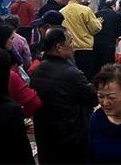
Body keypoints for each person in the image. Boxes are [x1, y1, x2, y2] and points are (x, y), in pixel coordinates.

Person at [30, 27, 97, 164]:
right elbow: (92, 98)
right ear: (59, 47)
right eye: (70, 42)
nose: (73, 46)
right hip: (71, 136)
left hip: (45, 135)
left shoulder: (37, 71)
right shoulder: (72, 74)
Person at [60, 0, 102, 80]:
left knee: (70, 76)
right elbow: (95, 28)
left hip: (69, 48)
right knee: (85, 76)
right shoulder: (86, 10)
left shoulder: (62, 11)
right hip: (85, 47)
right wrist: (99, 23)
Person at [93, 0, 121, 75]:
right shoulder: (116, 15)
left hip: (96, 42)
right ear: (113, 5)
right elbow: (120, 31)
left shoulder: (96, 14)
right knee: (108, 65)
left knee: (97, 63)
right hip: (110, 42)